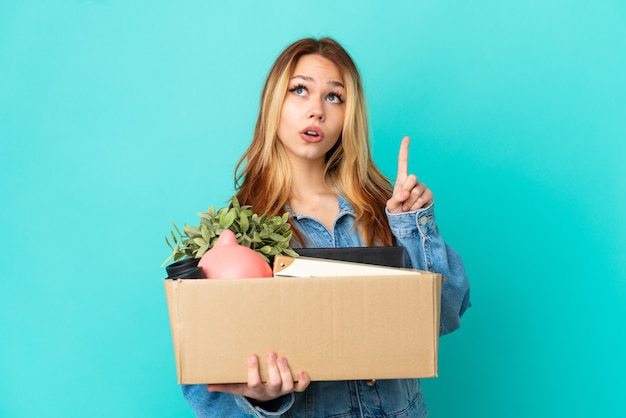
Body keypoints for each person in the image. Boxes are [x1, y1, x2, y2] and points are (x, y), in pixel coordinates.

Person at [182, 37, 470, 417]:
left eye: (334, 97)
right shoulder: (236, 236)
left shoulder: (385, 210)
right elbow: (206, 390)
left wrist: (412, 224)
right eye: (299, 90)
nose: (316, 110)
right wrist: (260, 398)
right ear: (274, 104)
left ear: (350, 115)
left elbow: (444, 316)